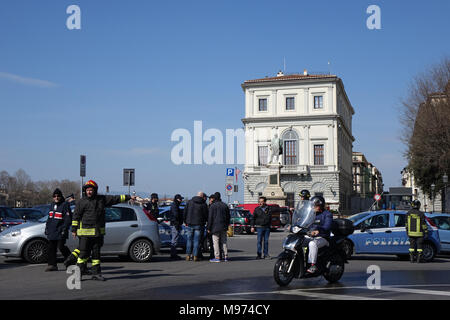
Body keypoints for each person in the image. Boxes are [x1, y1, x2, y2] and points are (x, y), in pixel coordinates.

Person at [72, 180, 134, 281]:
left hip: (98, 234)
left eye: (91, 190)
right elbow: (76, 216)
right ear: (85, 191)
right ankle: (79, 273)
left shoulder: (101, 199)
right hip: (85, 234)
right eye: (87, 190)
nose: (89, 192)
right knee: (83, 254)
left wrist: (129, 197)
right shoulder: (81, 202)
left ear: (95, 190)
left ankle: (96, 273)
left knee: (96, 255)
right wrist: (74, 229)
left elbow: (115, 199)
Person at [44, 188, 72, 271]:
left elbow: (68, 219)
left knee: (61, 247)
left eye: (58, 196)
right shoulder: (52, 205)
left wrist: (64, 229)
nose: (56, 198)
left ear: (61, 196)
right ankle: (52, 265)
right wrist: (47, 228)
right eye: (54, 196)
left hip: (60, 231)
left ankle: (71, 262)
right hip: (52, 231)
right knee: (51, 248)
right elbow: (50, 217)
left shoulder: (65, 205)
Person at [305, 195, 333, 274]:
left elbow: (327, 226)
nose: (314, 207)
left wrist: (319, 230)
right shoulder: (311, 214)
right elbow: (304, 223)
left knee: (312, 244)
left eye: (316, 205)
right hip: (310, 236)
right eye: (313, 205)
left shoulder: (327, 214)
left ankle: (313, 265)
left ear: (321, 205)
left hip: (323, 237)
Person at [184, 191, 208, 261]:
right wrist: (205, 221)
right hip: (199, 224)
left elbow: (185, 212)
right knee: (196, 241)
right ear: (202, 196)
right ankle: (195, 256)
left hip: (190, 223)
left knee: (189, 240)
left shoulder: (189, 202)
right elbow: (206, 214)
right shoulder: (203, 204)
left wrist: (185, 221)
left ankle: (188, 255)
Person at [207, 192, 230, 262]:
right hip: (223, 226)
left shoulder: (212, 206)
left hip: (215, 227)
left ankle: (217, 257)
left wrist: (208, 228)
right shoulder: (225, 205)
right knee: (224, 241)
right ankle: (225, 256)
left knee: (215, 242)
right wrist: (227, 225)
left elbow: (210, 218)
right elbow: (228, 217)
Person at [169, 194, 184, 260]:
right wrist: (177, 222)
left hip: (175, 224)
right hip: (175, 224)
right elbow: (176, 215)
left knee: (175, 239)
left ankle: (174, 253)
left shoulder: (175, 205)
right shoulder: (174, 205)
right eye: (180, 199)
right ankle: (173, 254)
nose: (181, 200)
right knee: (174, 240)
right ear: (177, 199)